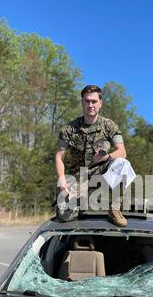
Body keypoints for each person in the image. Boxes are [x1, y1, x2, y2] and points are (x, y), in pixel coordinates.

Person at [55, 84, 128, 227]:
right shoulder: (69, 130)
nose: (90, 105)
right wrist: (62, 179)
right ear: (82, 102)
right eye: (87, 101)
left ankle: (114, 209)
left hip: (100, 174)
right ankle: (81, 204)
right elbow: (59, 157)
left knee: (122, 163)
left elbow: (122, 152)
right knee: (64, 216)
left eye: (94, 101)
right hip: (78, 177)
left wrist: (105, 157)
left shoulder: (109, 126)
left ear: (100, 103)